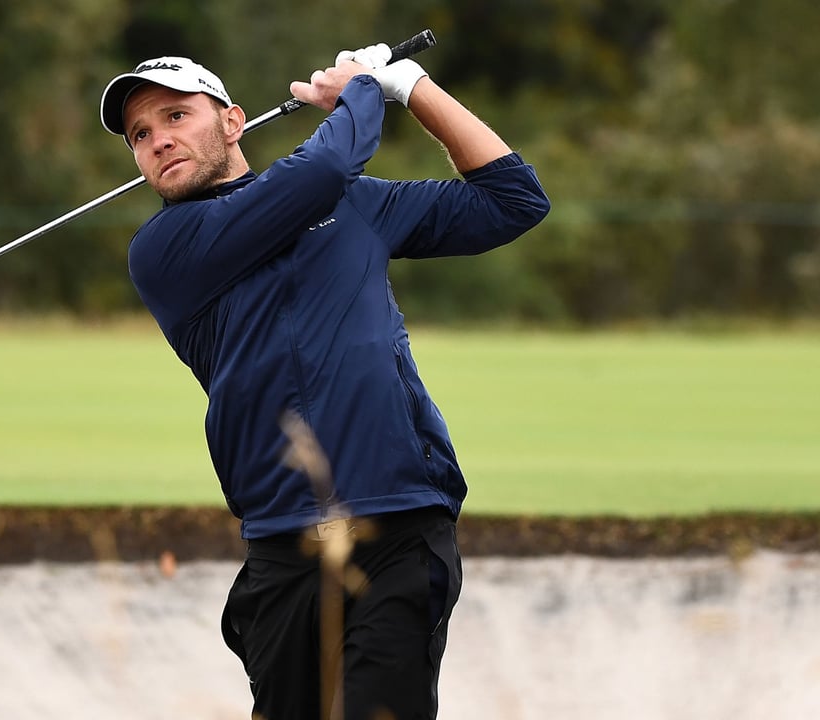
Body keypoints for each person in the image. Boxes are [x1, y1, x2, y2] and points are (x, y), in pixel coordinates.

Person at [99, 43, 549, 720]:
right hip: (283, 545)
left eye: (175, 116)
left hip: (399, 521)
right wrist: (362, 93)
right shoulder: (165, 250)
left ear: (233, 123)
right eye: (141, 134)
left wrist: (412, 87)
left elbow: (515, 199)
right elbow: (327, 165)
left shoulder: (351, 205)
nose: (158, 140)